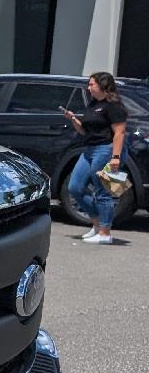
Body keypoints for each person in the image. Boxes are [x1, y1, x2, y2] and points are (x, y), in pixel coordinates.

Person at [62, 71, 129, 244]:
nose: (89, 87)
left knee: (102, 191)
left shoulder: (113, 105)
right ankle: (97, 225)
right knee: (75, 187)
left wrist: (115, 157)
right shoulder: (93, 104)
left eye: (92, 84)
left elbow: (119, 132)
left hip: (105, 150)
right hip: (90, 149)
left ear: (103, 85)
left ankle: (105, 233)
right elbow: (85, 131)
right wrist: (74, 120)